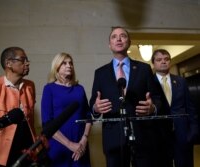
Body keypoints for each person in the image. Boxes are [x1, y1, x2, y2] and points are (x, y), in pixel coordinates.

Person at [89, 26, 161, 167]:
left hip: (142, 135)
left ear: (129, 42)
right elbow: (93, 102)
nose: (119, 39)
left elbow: (157, 98)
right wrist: (96, 108)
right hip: (113, 138)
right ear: (109, 44)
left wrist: (153, 108)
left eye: (123, 36)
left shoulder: (144, 69)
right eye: (114, 37)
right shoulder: (100, 73)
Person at [41, 52, 92, 167]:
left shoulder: (79, 89)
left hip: (80, 145)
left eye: (70, 63)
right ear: (56, 67)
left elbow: (88, 116)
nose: (69, 65)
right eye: (64, 63)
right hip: (59, 145)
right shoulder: (49, 89)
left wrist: (84, 140)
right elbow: (47, 123)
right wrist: (69, 144)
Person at [151, 49, 199, 167]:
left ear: (170, 62)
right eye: (159, 60)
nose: (163, 62)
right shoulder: (148, 82)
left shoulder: (181, 81)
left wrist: (193, 131)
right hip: (159, 136)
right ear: (153, 63)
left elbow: (190, 108)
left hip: (183, 135)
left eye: (166, 59)